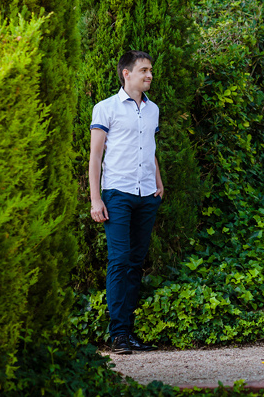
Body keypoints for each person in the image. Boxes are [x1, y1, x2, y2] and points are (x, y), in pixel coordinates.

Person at [89, 50, 165, 355]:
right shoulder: (105, 108)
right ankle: (117, 334)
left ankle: (129, 333)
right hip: (117, 194)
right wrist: (96, 199)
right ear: (127, 74)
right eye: (144, 70)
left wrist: (158, 182)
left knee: (135, 264)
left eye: (150, 70)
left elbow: (150, 148)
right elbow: (96, 156)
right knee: (119, 261)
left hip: (147, 195)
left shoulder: (153, 110)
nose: (149, 75)